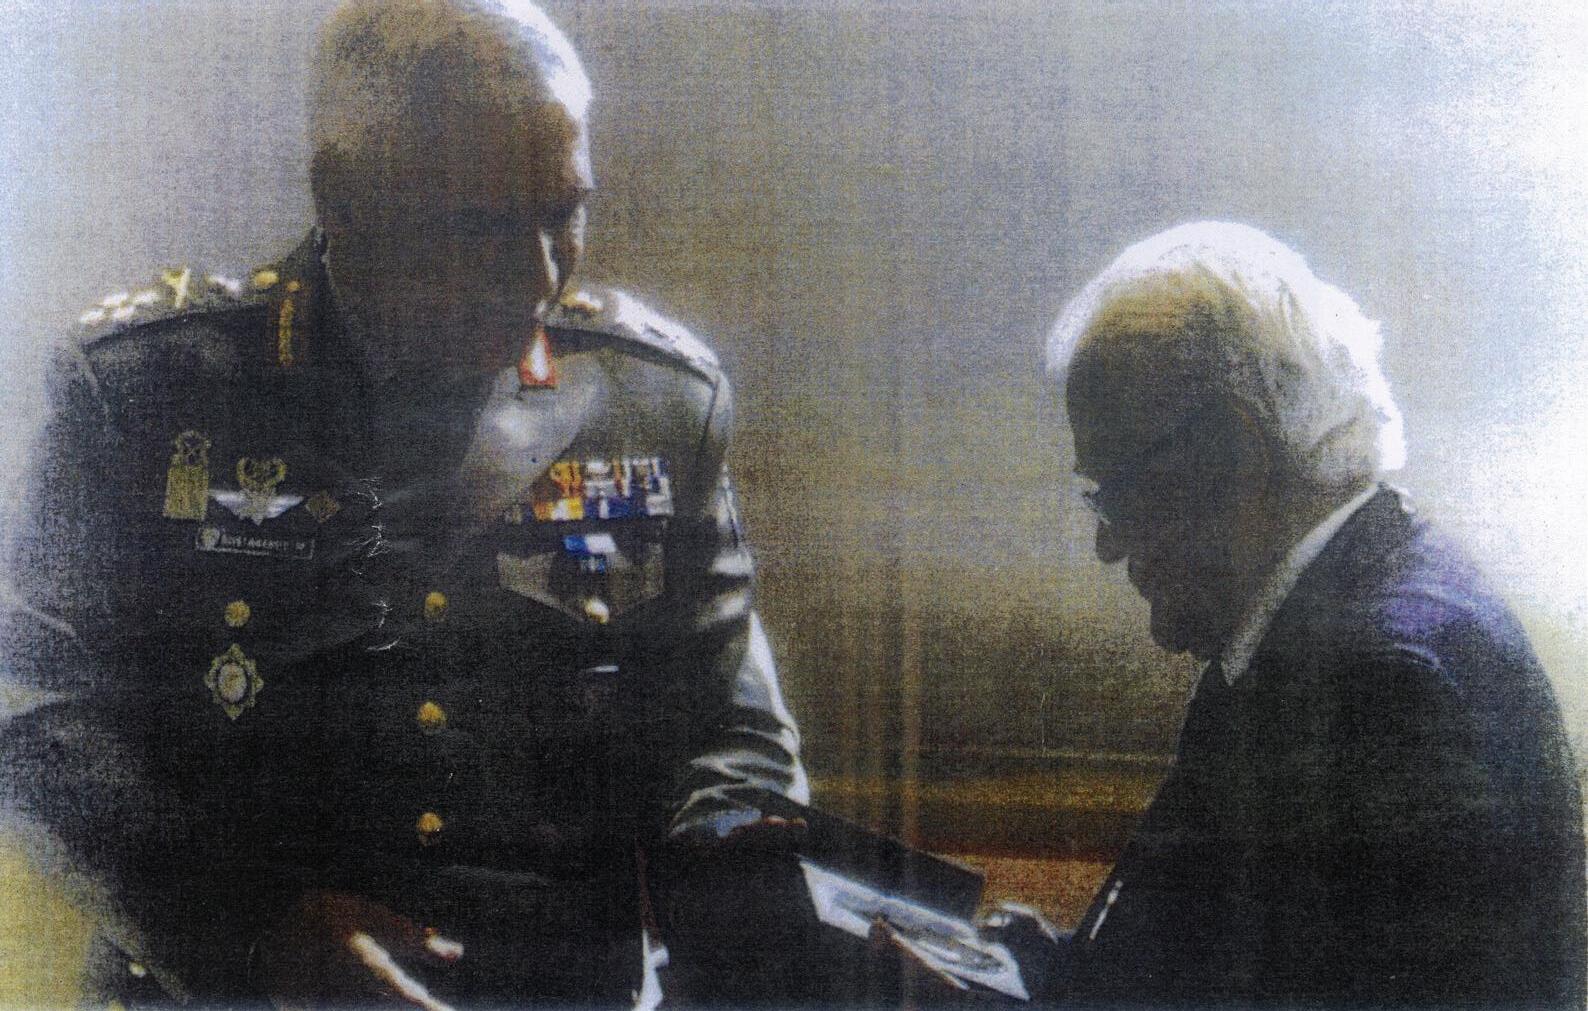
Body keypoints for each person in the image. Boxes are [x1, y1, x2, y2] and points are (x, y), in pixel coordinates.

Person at [0, 1, 811, 1006]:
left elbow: (725, 730)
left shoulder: (656, 401)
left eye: (563, 211)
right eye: (479, 225)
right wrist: (253, 935)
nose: (538, 274)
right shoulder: (151, 392)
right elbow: (34, 718)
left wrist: (744, 897)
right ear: (342, 198)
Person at [1005, 221, 1586, 1006]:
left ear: (1238, 455)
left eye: (1119, 487)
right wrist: (1044, 976)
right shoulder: (1341, 611)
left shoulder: (1378, 690)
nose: (1108, 544)